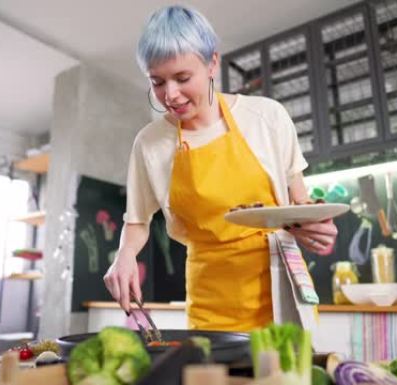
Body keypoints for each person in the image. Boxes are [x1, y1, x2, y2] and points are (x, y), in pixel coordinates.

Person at [104, 6, 338, 332]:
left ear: (213, 62)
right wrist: (125, 254)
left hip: (280, 285)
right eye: (157, 82)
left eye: (183, 78)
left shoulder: (267, 117)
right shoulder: (150, 143)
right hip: (209, 295)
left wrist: (314, 226)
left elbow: (299, 204)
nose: (170, 95)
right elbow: (138, 220)